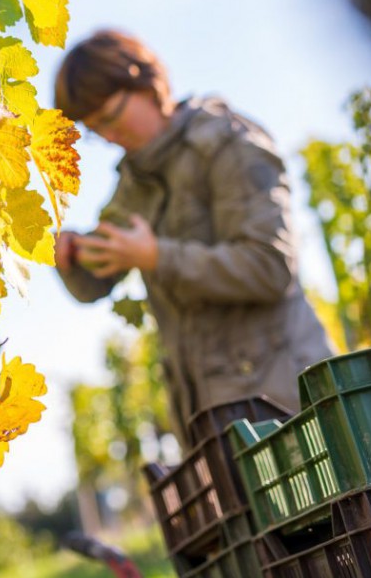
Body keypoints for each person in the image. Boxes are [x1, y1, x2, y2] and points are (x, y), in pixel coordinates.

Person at [51, 29, 334, 448]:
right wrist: (69, 256)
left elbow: (270, 267)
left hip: (289, 405)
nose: (109, 137)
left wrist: (157, 258)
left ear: (147, 84)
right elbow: (96, 279)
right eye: (96, 130)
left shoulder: (227, 143)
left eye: (110, 117)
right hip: (210, 423)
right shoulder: (135, 183)